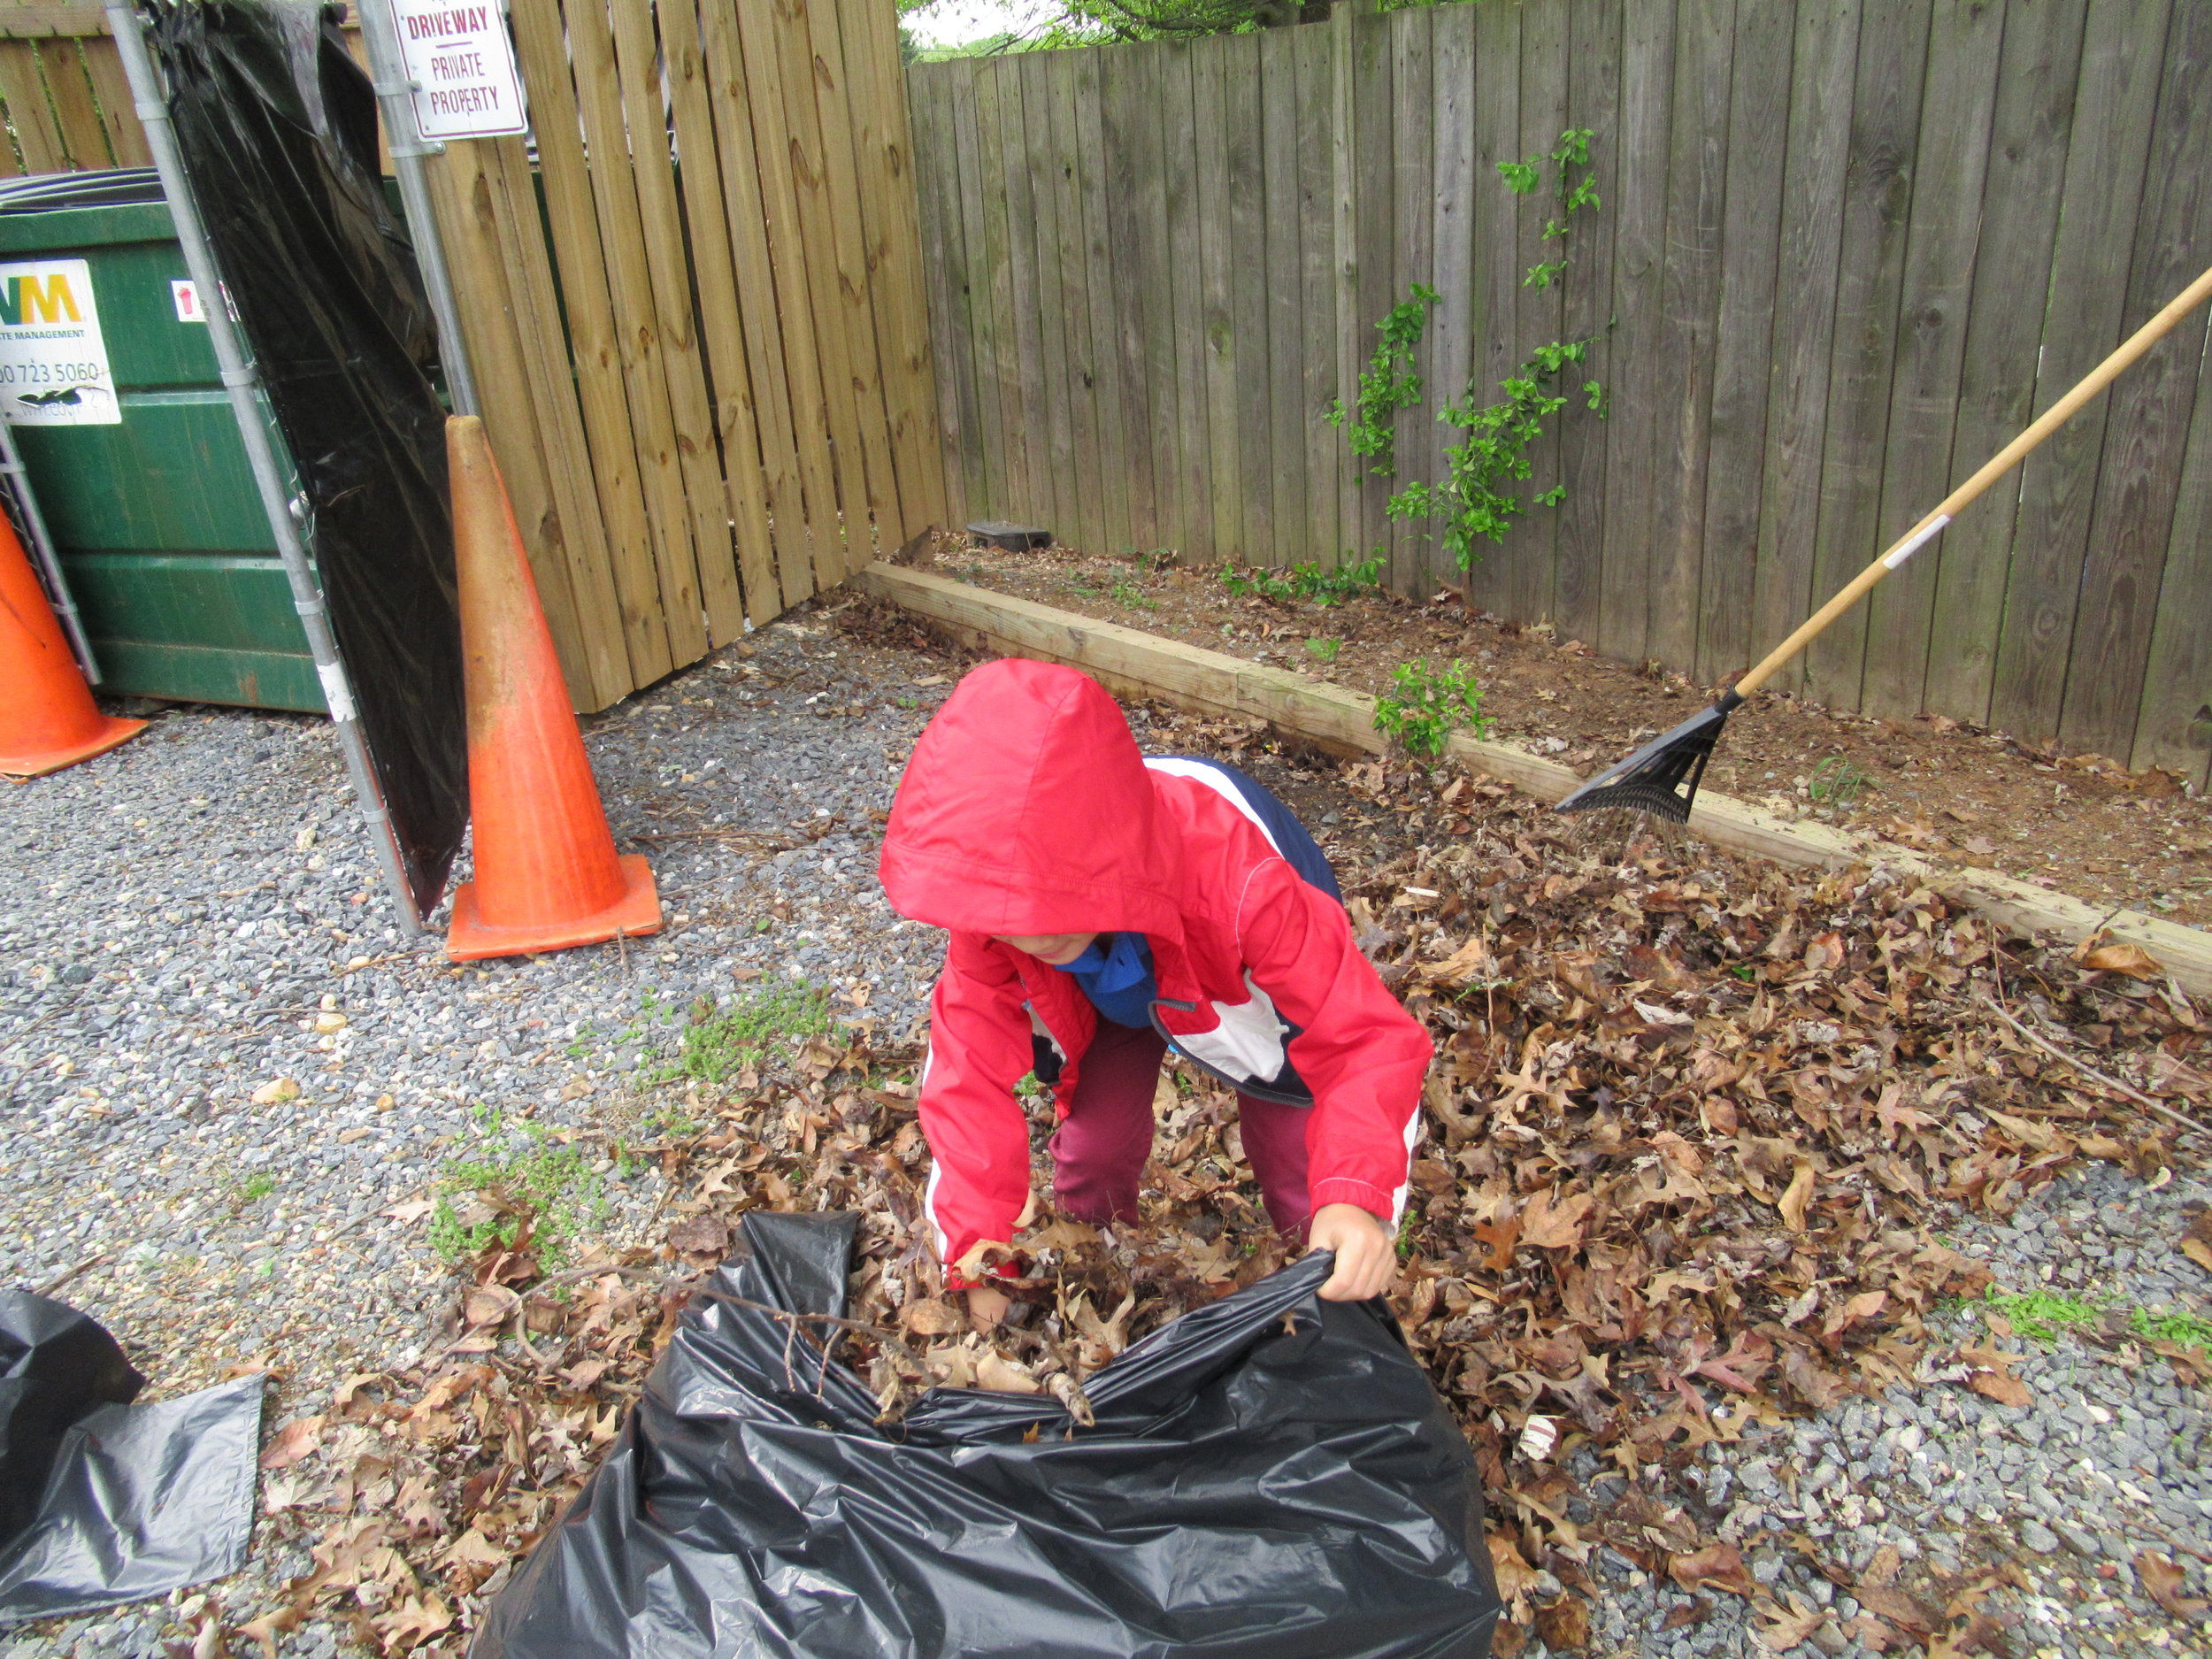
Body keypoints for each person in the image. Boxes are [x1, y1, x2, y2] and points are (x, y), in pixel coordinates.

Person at [877, 658, 1432, 1323]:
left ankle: (1328, 1304)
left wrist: (1355, 1196)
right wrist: (975, 1257)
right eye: (1007, 918)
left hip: (1238, 978)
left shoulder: (1241, 883)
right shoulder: (997, 919)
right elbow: (966, 1078)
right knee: (1095, 1148)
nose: (1023, 939)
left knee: (1299, 1162)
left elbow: (1365, 1036)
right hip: (1114, 993)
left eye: (1041, 909)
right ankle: (1099, 1269)